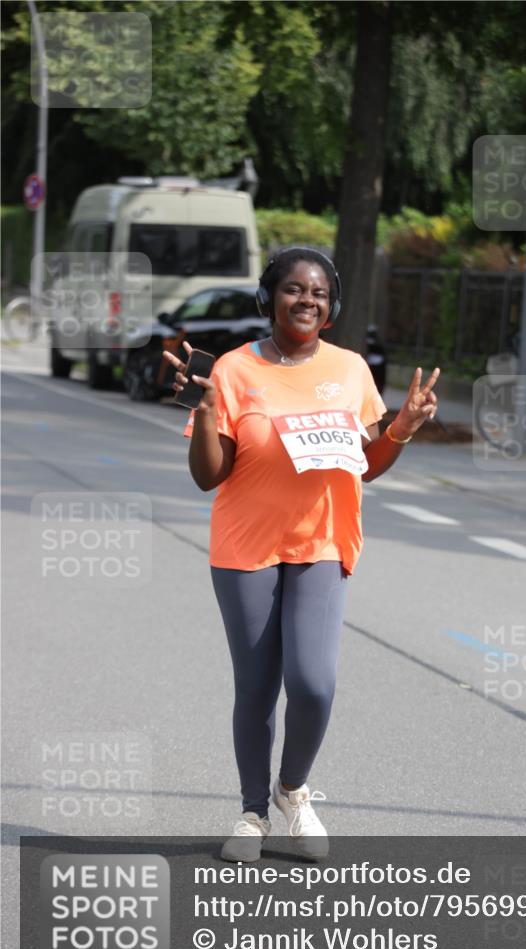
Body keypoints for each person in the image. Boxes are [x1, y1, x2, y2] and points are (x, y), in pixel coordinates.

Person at [165, 247, 438, 863]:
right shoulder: (233, 371)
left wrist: (403, 429)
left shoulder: (350, 370)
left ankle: (293, 790)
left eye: (317, 293)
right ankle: (252, 813)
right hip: (245, 549)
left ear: (331, 306)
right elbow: (209, 476)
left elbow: (364, 465)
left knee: (313, 683)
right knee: (257, 688)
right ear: (269, 299)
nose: (306, 301)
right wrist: (207, 414)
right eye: (293, 290)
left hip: (322, 541)